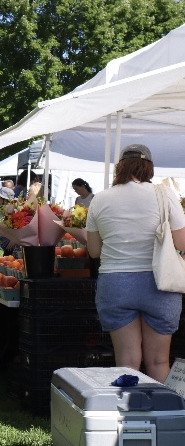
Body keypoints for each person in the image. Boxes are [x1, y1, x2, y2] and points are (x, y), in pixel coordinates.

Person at [86, 144, 185, 382]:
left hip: (116, 283)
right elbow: (182, 241)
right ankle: (160, 417)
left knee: (127, 361)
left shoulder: (99, 199)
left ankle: (124, 417)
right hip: (160, 282)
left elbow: (94, 251)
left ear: (119, 167)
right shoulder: (164, 194)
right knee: (159, 360)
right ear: (149, 168)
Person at [0, 186, 15, 253]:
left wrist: (13, 241)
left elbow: (19, 228)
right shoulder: (4, 209)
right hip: (6, 246)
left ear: (5, 200)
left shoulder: (12, 210)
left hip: (11, 247)